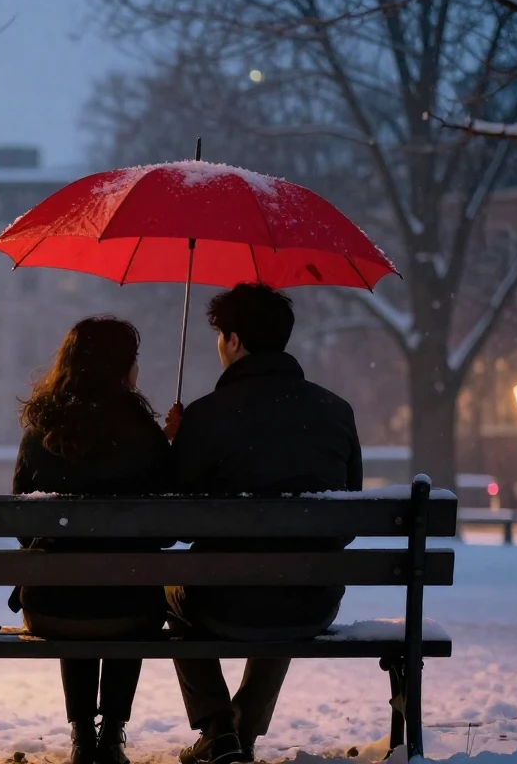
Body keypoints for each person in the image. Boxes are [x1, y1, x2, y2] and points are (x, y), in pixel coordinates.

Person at [166, 284, 362, 764]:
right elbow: (346, 518)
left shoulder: (207, 416)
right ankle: (243, 727)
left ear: (233, 341)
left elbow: (177, 522)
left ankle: (218, 729)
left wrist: (178, 443)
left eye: (219, 337)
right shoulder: (336, 411)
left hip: (221, 601)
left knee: (167, 589)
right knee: (287, 574)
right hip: (311, 601)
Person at [13, 316, 174, 764]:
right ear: (122, 368)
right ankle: (113, 732)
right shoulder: (144, 435)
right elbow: (170, 533)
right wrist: (170, 446)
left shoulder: (41, 432)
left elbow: (26, 528)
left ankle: (83, 732)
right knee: (126, 581)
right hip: (131, 614)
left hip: (52, 611)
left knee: (72, 577)